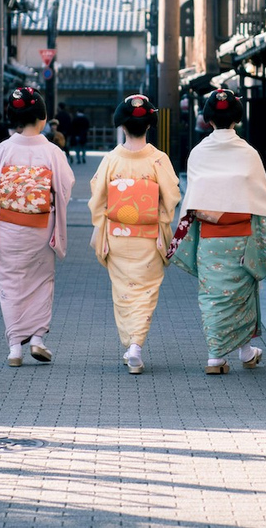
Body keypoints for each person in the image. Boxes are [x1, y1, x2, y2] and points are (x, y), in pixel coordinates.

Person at [170, 88, 266, 375]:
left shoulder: (198, 153)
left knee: (213, 296)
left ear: (208, 119)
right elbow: (261, 197)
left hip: (211, 240)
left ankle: (218, 357)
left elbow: (193, 199)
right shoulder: (248, 153)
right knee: (244, 294)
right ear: (237, 117)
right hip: (242, 237)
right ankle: (243, 352)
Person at [0, 87, 75, 367]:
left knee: (10, 283)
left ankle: (14, 349)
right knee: (42, 282)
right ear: (42, 117)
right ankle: (37, 340)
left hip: (8, 227)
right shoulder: (52, 151)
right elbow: (65, 187)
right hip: (40, 228)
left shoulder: (4, 149)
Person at [88, 94, 181, 374]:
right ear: (149, 126)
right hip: (148, 236)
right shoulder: (158, 159)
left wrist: (106, 222)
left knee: (123, 293)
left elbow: (98, 199)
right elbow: (172, 196)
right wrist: (158, 218)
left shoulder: (111, 159)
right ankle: (136, 346)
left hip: (118, 236)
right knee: (146, 292)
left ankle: (131, 345)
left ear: (123, 127)